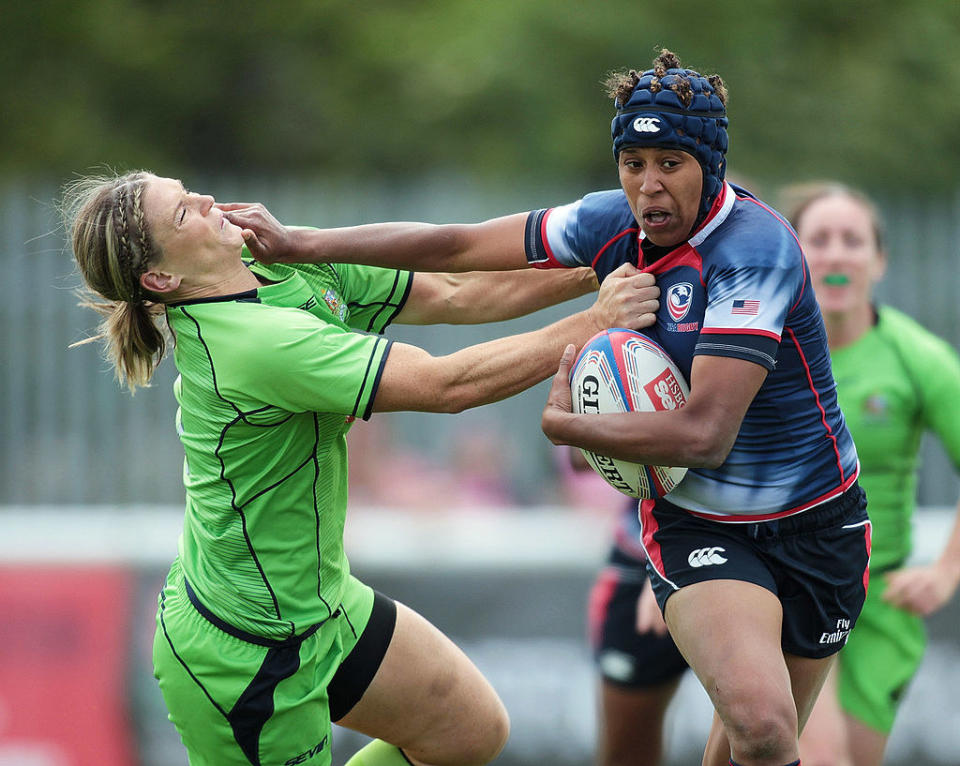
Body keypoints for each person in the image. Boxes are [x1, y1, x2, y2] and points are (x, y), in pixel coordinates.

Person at [221, 49, 871, 766]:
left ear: (711, 163)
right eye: (632, 162)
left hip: (820, 525)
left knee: (749, 745)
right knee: (765, 726)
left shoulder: (754, 251)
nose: (648, 186)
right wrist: (302, 241)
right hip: (700, 525)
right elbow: (460, 245)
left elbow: (705, 433)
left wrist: (568, 426)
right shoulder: (611, 222)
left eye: (670, 162)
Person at [61, 170, 662, 766]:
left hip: (321, 608)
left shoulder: (278, 258)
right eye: (183, 212)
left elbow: (460, 289)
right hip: (243, 654)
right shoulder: (249, 344)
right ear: (161, 277)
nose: (205, 200)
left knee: (468, 732)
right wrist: (595, 320)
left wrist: (615, 258)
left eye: (187, 190)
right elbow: (446, 384)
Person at [783, 183, 960, 766]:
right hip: (780, 590)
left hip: (878, 603)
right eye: (819, 240)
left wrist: (946, 572)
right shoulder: (755, 350)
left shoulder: (918, 358)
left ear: (879, 260)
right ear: (791, 252)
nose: (835, 256)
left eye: (852, 241)